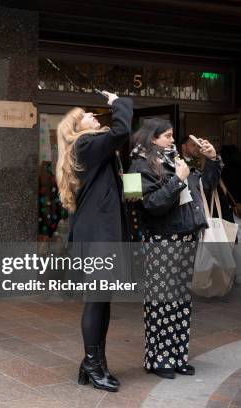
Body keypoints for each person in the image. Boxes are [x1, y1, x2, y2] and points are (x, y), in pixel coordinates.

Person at [129, 118, 221, 379]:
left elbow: (205, 186)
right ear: (152, 138)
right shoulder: (136, 166)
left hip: (184, 239)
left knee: (181, 303)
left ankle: (178, 356)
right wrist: (177, 181)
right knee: (161, 304)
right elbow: (148, 205)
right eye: (167, 136)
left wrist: (212, 160)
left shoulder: (175, 160)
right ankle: (158, 359)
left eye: (171, 136)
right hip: (161, 241)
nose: (172, 140)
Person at [56, 91, 133, 392]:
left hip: (102, 233)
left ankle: (95, 363)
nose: (93, 115)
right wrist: (118, 103)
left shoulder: (90, 148)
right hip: (98, 235)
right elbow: (122, 130)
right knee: (97, 300)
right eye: (86, 114)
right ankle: (92, 362)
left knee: (102, 300)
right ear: (77, 127)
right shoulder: (85, 144)